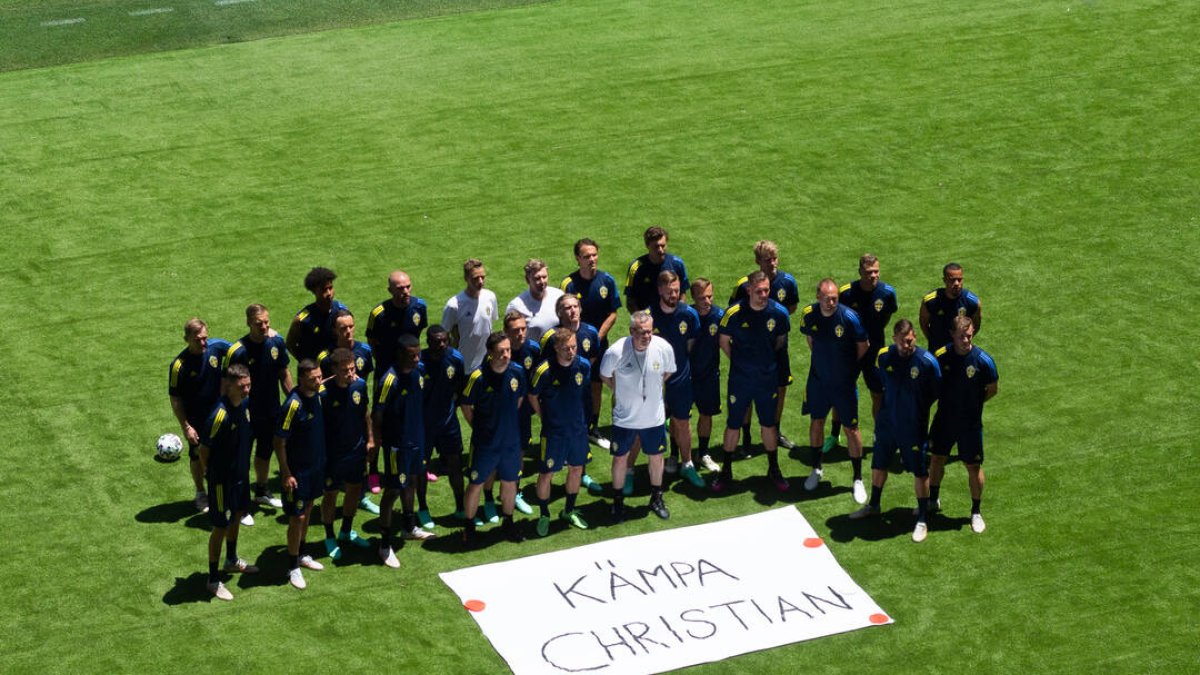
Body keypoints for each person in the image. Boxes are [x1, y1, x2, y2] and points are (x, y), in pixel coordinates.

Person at [849, 320, 941, 543]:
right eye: (901, 342)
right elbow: (882, 385)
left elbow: (937, 392)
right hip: (887, 424)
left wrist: (918, 410)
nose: (906, 345)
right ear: (894, 340)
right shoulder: (884, 356)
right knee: (879, 464)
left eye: (909, 341)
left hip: (913, 427)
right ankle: (874, 505)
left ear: (915, 337)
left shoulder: (927, 362)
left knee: (919, 471)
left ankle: (922, 518)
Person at [709, 272, 791, 494]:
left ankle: (773, 469)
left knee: (768, 425)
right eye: (759, 291)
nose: (764, 295)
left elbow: (780, 341)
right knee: (733, 424)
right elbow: (723, 341)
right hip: (740, 380)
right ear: (748, 290)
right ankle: (726, 471)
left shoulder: (779, 313)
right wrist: (740, 361)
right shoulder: (733, 313)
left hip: (767, 380)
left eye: (766, 290)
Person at [599, 311, 676, 522]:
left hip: (654, 418)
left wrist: (651, 386)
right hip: (625, 418)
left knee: (656, 457)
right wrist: (620, 390)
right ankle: (617, 501)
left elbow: (668, 372)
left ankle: (656, 497)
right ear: (631, 331)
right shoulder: (616, 352)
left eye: (649, 332)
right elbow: (605, 375)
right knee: (620, 458)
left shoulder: (663, 348)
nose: (647, 336)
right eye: (642, 332)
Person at [799, 279, 870, 503]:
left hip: (843, 384)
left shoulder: (849, 317)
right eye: (827, 298)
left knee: (851, 428)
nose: (831, 302)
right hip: (818, 382)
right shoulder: (809, 314)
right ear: (818, 297)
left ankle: (857, 478)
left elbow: (864, 345)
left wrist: (848, 369)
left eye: (834, 299)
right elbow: (811, 340)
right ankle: (816, 468)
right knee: (816, 422)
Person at [928, 316, 998, 534]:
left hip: (970, 424)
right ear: (952, 335)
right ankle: (933, 499)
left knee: (973, 466)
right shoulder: (941, 356)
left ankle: (976, 512)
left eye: (968, 336)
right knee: (936, 459)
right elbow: (931, 382)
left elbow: (992, 389)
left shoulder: (983, 361)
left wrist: (973, 404)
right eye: (961, 336)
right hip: (944, 420)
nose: (966, 340)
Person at [728, 241, 801, 451]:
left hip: (778, 347)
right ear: (757, 261)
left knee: (780, 387)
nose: (772, 263)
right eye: (767, 260)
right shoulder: (745, 285)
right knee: (748, 391)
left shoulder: (788, 282)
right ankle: (746, 437)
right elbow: (732, 312)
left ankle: (775, 431)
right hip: (751, 351)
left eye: (775, 258)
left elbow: (792, 306)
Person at [372, 335, 436, 570]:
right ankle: (384, 544)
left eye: (418, 354)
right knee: (393, 490)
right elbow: (377, 414)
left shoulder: (419, 372)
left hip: (416, 440)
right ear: (400, 355)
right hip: (396, 446)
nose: (417, 359)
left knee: (412, 482)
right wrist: (377, 441)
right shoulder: (389, 380)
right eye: (412, 355)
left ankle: (409, 527)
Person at [224, 304, 293, 518]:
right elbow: (225, 385)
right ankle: (240, 505)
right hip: (245, 414)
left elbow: (284, 372)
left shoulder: (276, 342)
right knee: (241, 459)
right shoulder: (238, 351)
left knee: (265, 451)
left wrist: (293, 399)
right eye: (258, 323)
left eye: (266, 322)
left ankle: (261, 490)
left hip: (271, 410)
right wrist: (228, 413)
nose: (264, 327)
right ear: (248, 323)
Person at [196, 365, 259, 601]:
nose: (246, 390)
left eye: (248, 385)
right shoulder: (219, 416)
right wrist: (209, 473)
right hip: (222, 481)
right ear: (229, 385)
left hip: (241, 476)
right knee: (220, 525)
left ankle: (231, 560)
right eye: (242, 386)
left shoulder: (244, 405)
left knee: (238, 513)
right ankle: (213, 579)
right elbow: (204, 450)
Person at [460, 332, 529, 544]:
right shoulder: (478, 377)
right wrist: (479, 427)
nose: (506, 355)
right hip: (485, 444)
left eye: (508, 350)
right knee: (476, 484)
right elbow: (466, 405)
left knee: (510, 482)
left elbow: (519, 399)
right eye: (501, 352)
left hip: (510, 442)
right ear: (490, 353)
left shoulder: (517, 372)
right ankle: (469, 527)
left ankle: (508, 522)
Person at [537, 295, 605, 496]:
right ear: (559, 313)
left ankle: (582, 473)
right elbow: (543, 366)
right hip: (557, 396)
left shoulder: (591, 332)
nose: (572, 310)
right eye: (567, 308)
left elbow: (593, 356)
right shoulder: (550, 337)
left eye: (575, 306)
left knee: (581, 430)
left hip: (580, 392)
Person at [529, 328, 593, 536]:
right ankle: (544, 514)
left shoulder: (583, 366)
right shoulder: (544, 370)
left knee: (576, 469)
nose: (571, 352)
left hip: (577, 430)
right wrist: (544, 416)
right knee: (547, 473)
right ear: (556, 348)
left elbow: (584, 394)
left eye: (574, 347)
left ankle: (569, 510)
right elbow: (532, 395)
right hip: (553, 433)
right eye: (566, 348)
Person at [318, 310, 381, 512]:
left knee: (359, 459)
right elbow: (320, 385)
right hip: (334, 418)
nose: (348, 331)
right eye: (343, 328)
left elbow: (364, 383)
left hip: (356, 410)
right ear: (334, 331)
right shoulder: (325, 357)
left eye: (351, 326)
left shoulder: (365, 351)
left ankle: (361, 496)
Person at [560, 238, 621, 444]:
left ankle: (593, 427)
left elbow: (613, 313)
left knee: (596, 383)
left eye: (594, 255)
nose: (592, 259)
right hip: (573, 345)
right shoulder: (568, 284)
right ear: (578, 259)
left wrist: (597, 336)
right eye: (586, 256)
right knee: (573, 384)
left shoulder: (607, 281)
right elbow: (562, 313)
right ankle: (574, 425)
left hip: (598, 343)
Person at [836, 254, 899, 448]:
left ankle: (879, 434)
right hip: (850, 350)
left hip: (876, 351)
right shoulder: (846, 293)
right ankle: (834, 434)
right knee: (842, 391)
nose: (873, 276)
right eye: (868, 272)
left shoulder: (887, 293)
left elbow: (887, 316)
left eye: (876, 272)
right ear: (860, 272)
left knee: (877, 393)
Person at [648, 271, 704, 488]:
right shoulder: (649, 316)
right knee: (647, 425)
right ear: (659, 290)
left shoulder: (689, 315)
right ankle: (638, 470)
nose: (674, 295)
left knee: (682, 421)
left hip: (680, 379)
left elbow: (689, 345)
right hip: (654, 381)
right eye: (669, 291)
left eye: (677, 290)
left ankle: (687, 464)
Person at [168, 318, 230, 514]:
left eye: (205, 338)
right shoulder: (179, 366)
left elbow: (239, 351)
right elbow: (175, 398)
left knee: (224, 453)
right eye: (198, 340)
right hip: (196, 419)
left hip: (220, 414)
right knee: (197, 455)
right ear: (186, 339)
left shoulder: (217, 347)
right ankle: (201, 493)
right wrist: (186, 426)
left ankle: (222, 490)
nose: (203, 343)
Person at [274, 360, 327, 590]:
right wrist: (286, 473)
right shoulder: (292, 405)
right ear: (302, 379)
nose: (319, 381)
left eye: (320, 376)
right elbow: (279, 441)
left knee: (308, 509)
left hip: (315, 467)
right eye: (314, 378)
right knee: (298, 518)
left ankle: (302, 553)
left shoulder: (318, 394)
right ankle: (293, 565)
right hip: (297, 473)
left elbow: (334, 382)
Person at [318, 348, 375, 561]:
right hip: (333, 455)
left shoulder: (359, 386)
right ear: (334, 370)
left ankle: (346, 530)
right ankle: (329, 536)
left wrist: (370, 439)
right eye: (345, 370)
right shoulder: (323, 393)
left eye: (352, 369)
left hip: (356, 450)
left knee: (354, 489)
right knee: (331, 494)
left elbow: (365, 413)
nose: (350, 374)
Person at [420, 325, 468, 526]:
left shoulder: (456, 358)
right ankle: (423, 508)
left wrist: (451, 407)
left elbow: (460, 385)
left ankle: (461, 506)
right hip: (424, 425)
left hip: (448, 423)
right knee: (421, 468)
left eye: (444, 341)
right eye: (436, 341)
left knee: (455, 464)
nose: (441, 345)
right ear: (428, 342)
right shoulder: (419, 362)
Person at [502, 310, 541, 517]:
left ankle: (515, 492)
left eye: (523, 329)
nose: (520, 334)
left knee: (521, 451)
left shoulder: (533, 349)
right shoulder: (499, 351)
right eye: (515, 330)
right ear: (506, 331)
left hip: (524, 410)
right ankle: (491, 497)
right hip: (502, 411)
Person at [689, 278, 724, 473]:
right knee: (680, 417)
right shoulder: (685, 315)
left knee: (706, 414)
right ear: (693, 297)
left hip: (709, 375)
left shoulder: (719, 316)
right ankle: (676, 456)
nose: (707, 301)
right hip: (685, 375)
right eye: (702, 298)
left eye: (710, 296)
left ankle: (702, 453)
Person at [366, 270, 429, 379]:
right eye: (400, 288)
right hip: (387, 366)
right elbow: (371, 340)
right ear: (390, 290)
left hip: (411, 364)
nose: (406, 291)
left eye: (408, 287)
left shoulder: (420, 306)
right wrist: (381, 360)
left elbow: (419, 331)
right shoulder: (378, 314)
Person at [442, 258, 498, 372]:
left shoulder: (490, 297)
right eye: (475, 278)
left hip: (486, 364)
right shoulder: (454, 305)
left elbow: (490, 327)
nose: (481, 281)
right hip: (463, 366)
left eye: (483, 277)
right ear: (466, 278)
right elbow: (444, 335)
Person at [286, 267, 349, 362]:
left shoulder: (341, 311)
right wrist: (305, 362)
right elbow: (290, 344)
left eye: (330, 288)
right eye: (324, 290)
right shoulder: (302, 320)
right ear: (314, 291)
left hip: (336, 366)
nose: (329, 293)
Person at [624, 226, 689, 313]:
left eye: (663, 246)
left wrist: (678, 313)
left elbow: (683, 292)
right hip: (647, 317)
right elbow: (630, 299)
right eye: (656, 246)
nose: (660, 250)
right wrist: (641, 318)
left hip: (671, 316)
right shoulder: (634, 267)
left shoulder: (677, 264)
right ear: (647, 246)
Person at [919, 262, 982, 350]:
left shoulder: (972, 302)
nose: (956, 283)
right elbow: (923, 323)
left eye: (959, 279)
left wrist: (964, 340)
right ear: (944, 280)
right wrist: (932, 340)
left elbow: (976, 325)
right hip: (937, 349)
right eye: (952, 280)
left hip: (960, 351)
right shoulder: (930, 301)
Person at [506, 259, 565, 340]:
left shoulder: (558, 295)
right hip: (534, 348)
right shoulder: (516, 306)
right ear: (527, 280)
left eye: (544, 277)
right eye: (537, 278)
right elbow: (510, 336)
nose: (542, 281)